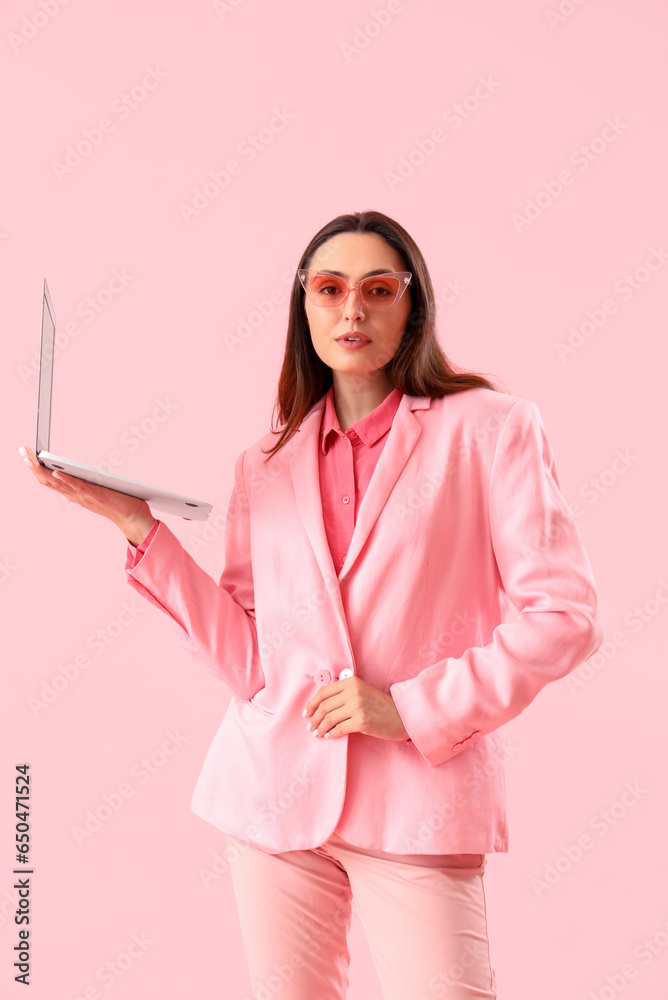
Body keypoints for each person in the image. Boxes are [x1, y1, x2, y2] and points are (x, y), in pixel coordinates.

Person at [20, 210, 603, 1000]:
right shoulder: (266, 464)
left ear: (413, 305)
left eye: (377, 289)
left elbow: (562, 615)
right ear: (305, 307)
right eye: (329, 289)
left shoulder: (491, 430)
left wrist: (412, 708)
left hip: (418, 801)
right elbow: (252, 662)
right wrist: (136, 526)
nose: (352, 310)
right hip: (271, 800)